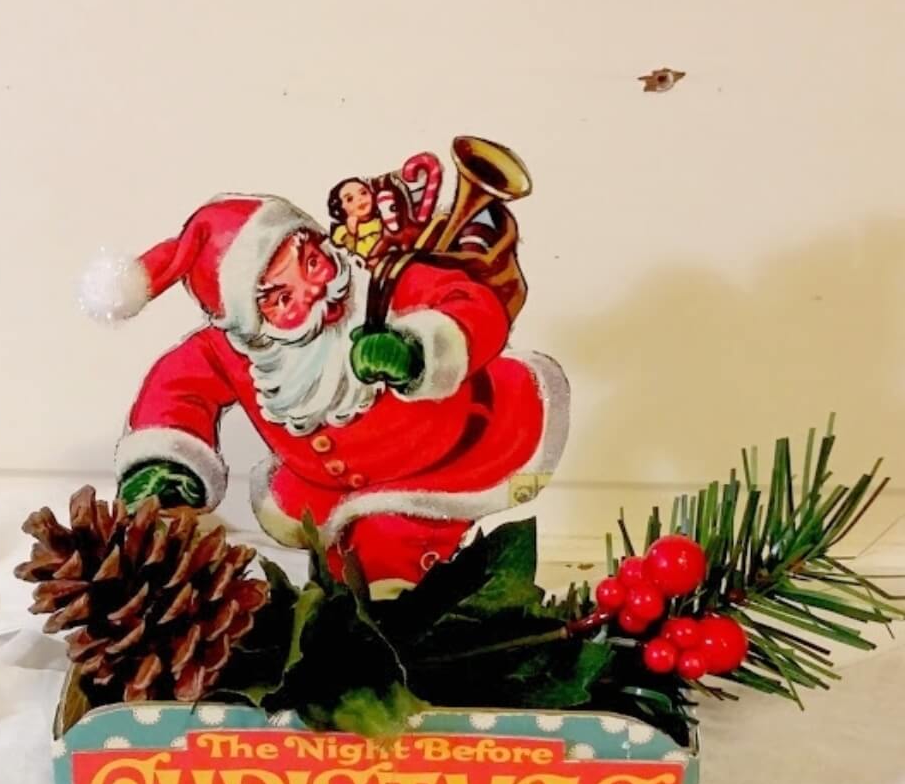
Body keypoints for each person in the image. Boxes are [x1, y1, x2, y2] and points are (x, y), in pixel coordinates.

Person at [78, 194, 569, 598]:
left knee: (392, 556)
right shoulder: (231, 352)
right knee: (340, 571)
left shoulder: (383, 284)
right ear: (248, 323)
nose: (316, 292)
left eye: (313, 261)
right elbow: (177, 387)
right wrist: (164, 468)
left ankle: (403, 624)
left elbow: (472, 302)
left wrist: (417, 350)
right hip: (325, 492)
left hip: (445, 461)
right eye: (282, 298)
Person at [327, 177, 383, 261]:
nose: (359, 199)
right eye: (350, 199)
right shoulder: (342, 231)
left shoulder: (381, 221)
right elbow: (345, 257)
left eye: (363, 193)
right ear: (340, 208)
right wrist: (351, 234)